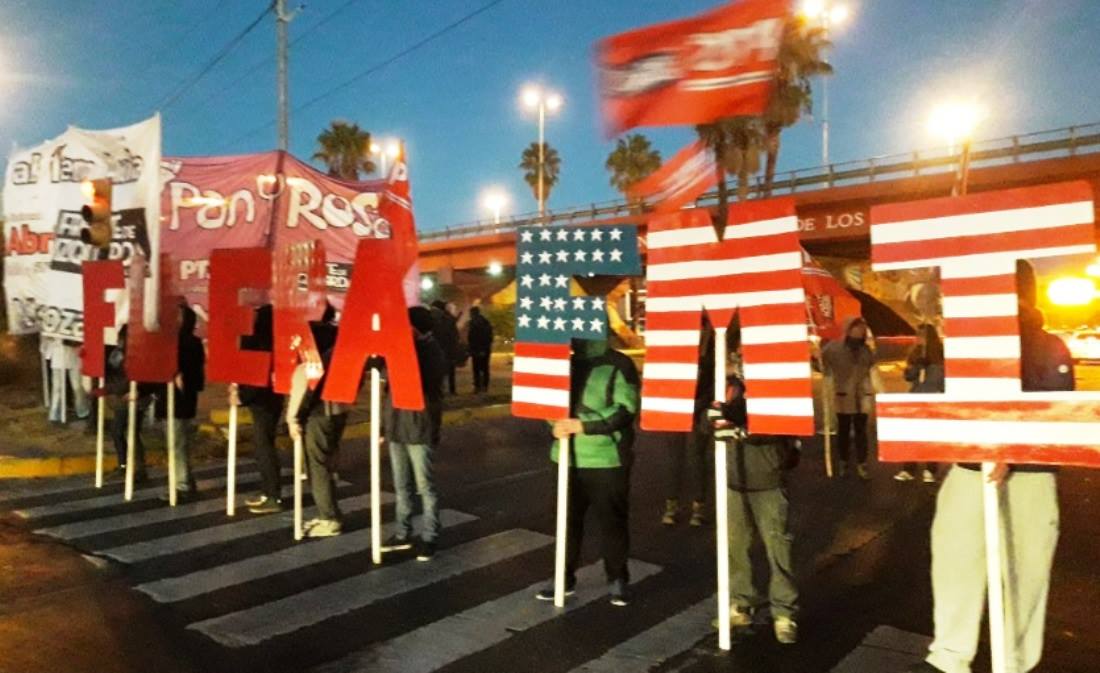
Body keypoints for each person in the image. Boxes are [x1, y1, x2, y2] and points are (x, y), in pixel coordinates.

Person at [910, 260, 1069, 673]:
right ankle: (949, 655)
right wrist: (941, 350)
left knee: (1024, 572)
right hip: (968, 468)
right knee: (953, 555)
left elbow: (1054, 409)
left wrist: (1009, 449)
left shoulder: (1047, 345)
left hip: (1030, 475)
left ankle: (1013, 662)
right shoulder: (963, 339)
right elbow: (930, 397)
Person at [535, 338, 641, 607]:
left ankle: (617, 578)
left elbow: (626, 408)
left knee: (612, 522)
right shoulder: (563, 362)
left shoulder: (620, 364)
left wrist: (582, 425)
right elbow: (548, 402)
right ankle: (562, 578)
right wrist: (554, 426)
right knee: (566, 522)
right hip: (566, 458)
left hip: (607, 459)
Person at [708, 370, 802, 645]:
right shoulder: (725, 388)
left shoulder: (778, 386)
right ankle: (740, 602)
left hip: (768, 479)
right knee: (734, 545)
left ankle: (784, 612)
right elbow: (706, 423)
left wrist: (740, 430)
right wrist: (711, 420)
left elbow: (781, 426)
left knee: (778, 548)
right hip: (734, 480)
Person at [383, 306, 447, 560]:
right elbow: (389, 389)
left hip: (419, 428)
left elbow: (426, 387)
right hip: (397, 426)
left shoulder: (431, 352)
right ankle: (402, 532)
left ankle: (430, 536)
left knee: (425, 486)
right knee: (401, 485)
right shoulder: (400, 348)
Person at [286, 307, 349, 538]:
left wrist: (294, 418)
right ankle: (330, 513)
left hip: (319, 414)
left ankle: (329, 518)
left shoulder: (314, 360)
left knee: (318, 467)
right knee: (327, 464)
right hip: (338, 411)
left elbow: (306, 390)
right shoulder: (336, 348)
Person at [662, 320, 713, 527]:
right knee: (675, 459)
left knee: (696, 458)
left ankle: (698, 507)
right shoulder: (674, 354)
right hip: (677, 410)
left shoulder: (709, 356)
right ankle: (671, 506)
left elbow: (713, 386)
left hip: (698, 412)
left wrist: (698, 404)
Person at [236, 305, 287, 515]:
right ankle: (269, 492)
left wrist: (241, 396)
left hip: (262, 401)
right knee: (264, 445)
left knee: (264, 447)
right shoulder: (277, 341)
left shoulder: (258, 342)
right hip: (273, 399)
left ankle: (272, 494)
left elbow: (254, 375)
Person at [155, 305, 205, 503]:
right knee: (177, 444)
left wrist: (180, 379)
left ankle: (182, 485)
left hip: (178, 401)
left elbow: (196, 377)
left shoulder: (184, 344)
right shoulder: (174, 343)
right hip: (173, 400)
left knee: (176, 444)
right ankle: (186, 481)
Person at [821, 316, 877, 480]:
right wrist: (816, 360)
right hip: (843, 395)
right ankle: (843, 460)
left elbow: (872, 369)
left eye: (862, 329)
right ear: (849, 329)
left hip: (862, 396)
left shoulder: (866, 350)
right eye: (857, 328)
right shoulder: (834, 348)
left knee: (861, 431)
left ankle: (862, 463)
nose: (860, 332)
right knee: (843, 430)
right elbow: (823, 366)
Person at [105, 326, 155, 483]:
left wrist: (138, 392)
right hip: (124, 396)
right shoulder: (118, 354)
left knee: (123, 431)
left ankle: (132, 467)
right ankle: (132, 466)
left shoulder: (138, 355)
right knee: (125, 432)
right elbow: (112, 369)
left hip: (134, 398)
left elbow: (146, 377)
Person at [894, 324, 943, 484]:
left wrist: (931, 367)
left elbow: (943, 378)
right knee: (912, 434)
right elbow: (907, 377)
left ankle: (930, 468)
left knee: (931, 435)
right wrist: (916, 367)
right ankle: (909, 468)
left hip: (933, 398)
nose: (919, 339)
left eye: (922, 335)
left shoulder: (940, 355)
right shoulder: (915, 353)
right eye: (918, 335)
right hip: (916, 397)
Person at [44, 336, 90, 424]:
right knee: (57, 387)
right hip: (58, 351)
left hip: (74, 352)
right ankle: (55, 412)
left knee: (77, 386)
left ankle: (82, 410)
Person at [430, 300, 462, 395]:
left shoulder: (435, 319)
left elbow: (453, 336)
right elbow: (455, 336)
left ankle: (442, 391)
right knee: (446, 372)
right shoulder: (448, 319)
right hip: (443, 350)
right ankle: (449, 390)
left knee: (441, 372)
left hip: (441, 350)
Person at [467, 306, 494, 393]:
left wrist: (481, 349)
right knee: (480, 368)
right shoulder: (481, 322)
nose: (470, 315)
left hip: (480, 349)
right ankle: (481, 386)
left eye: (471, 313)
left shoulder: (479, 323)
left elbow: (483, 337)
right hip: (480, 349)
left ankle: (480, 386)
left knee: (480, 368)